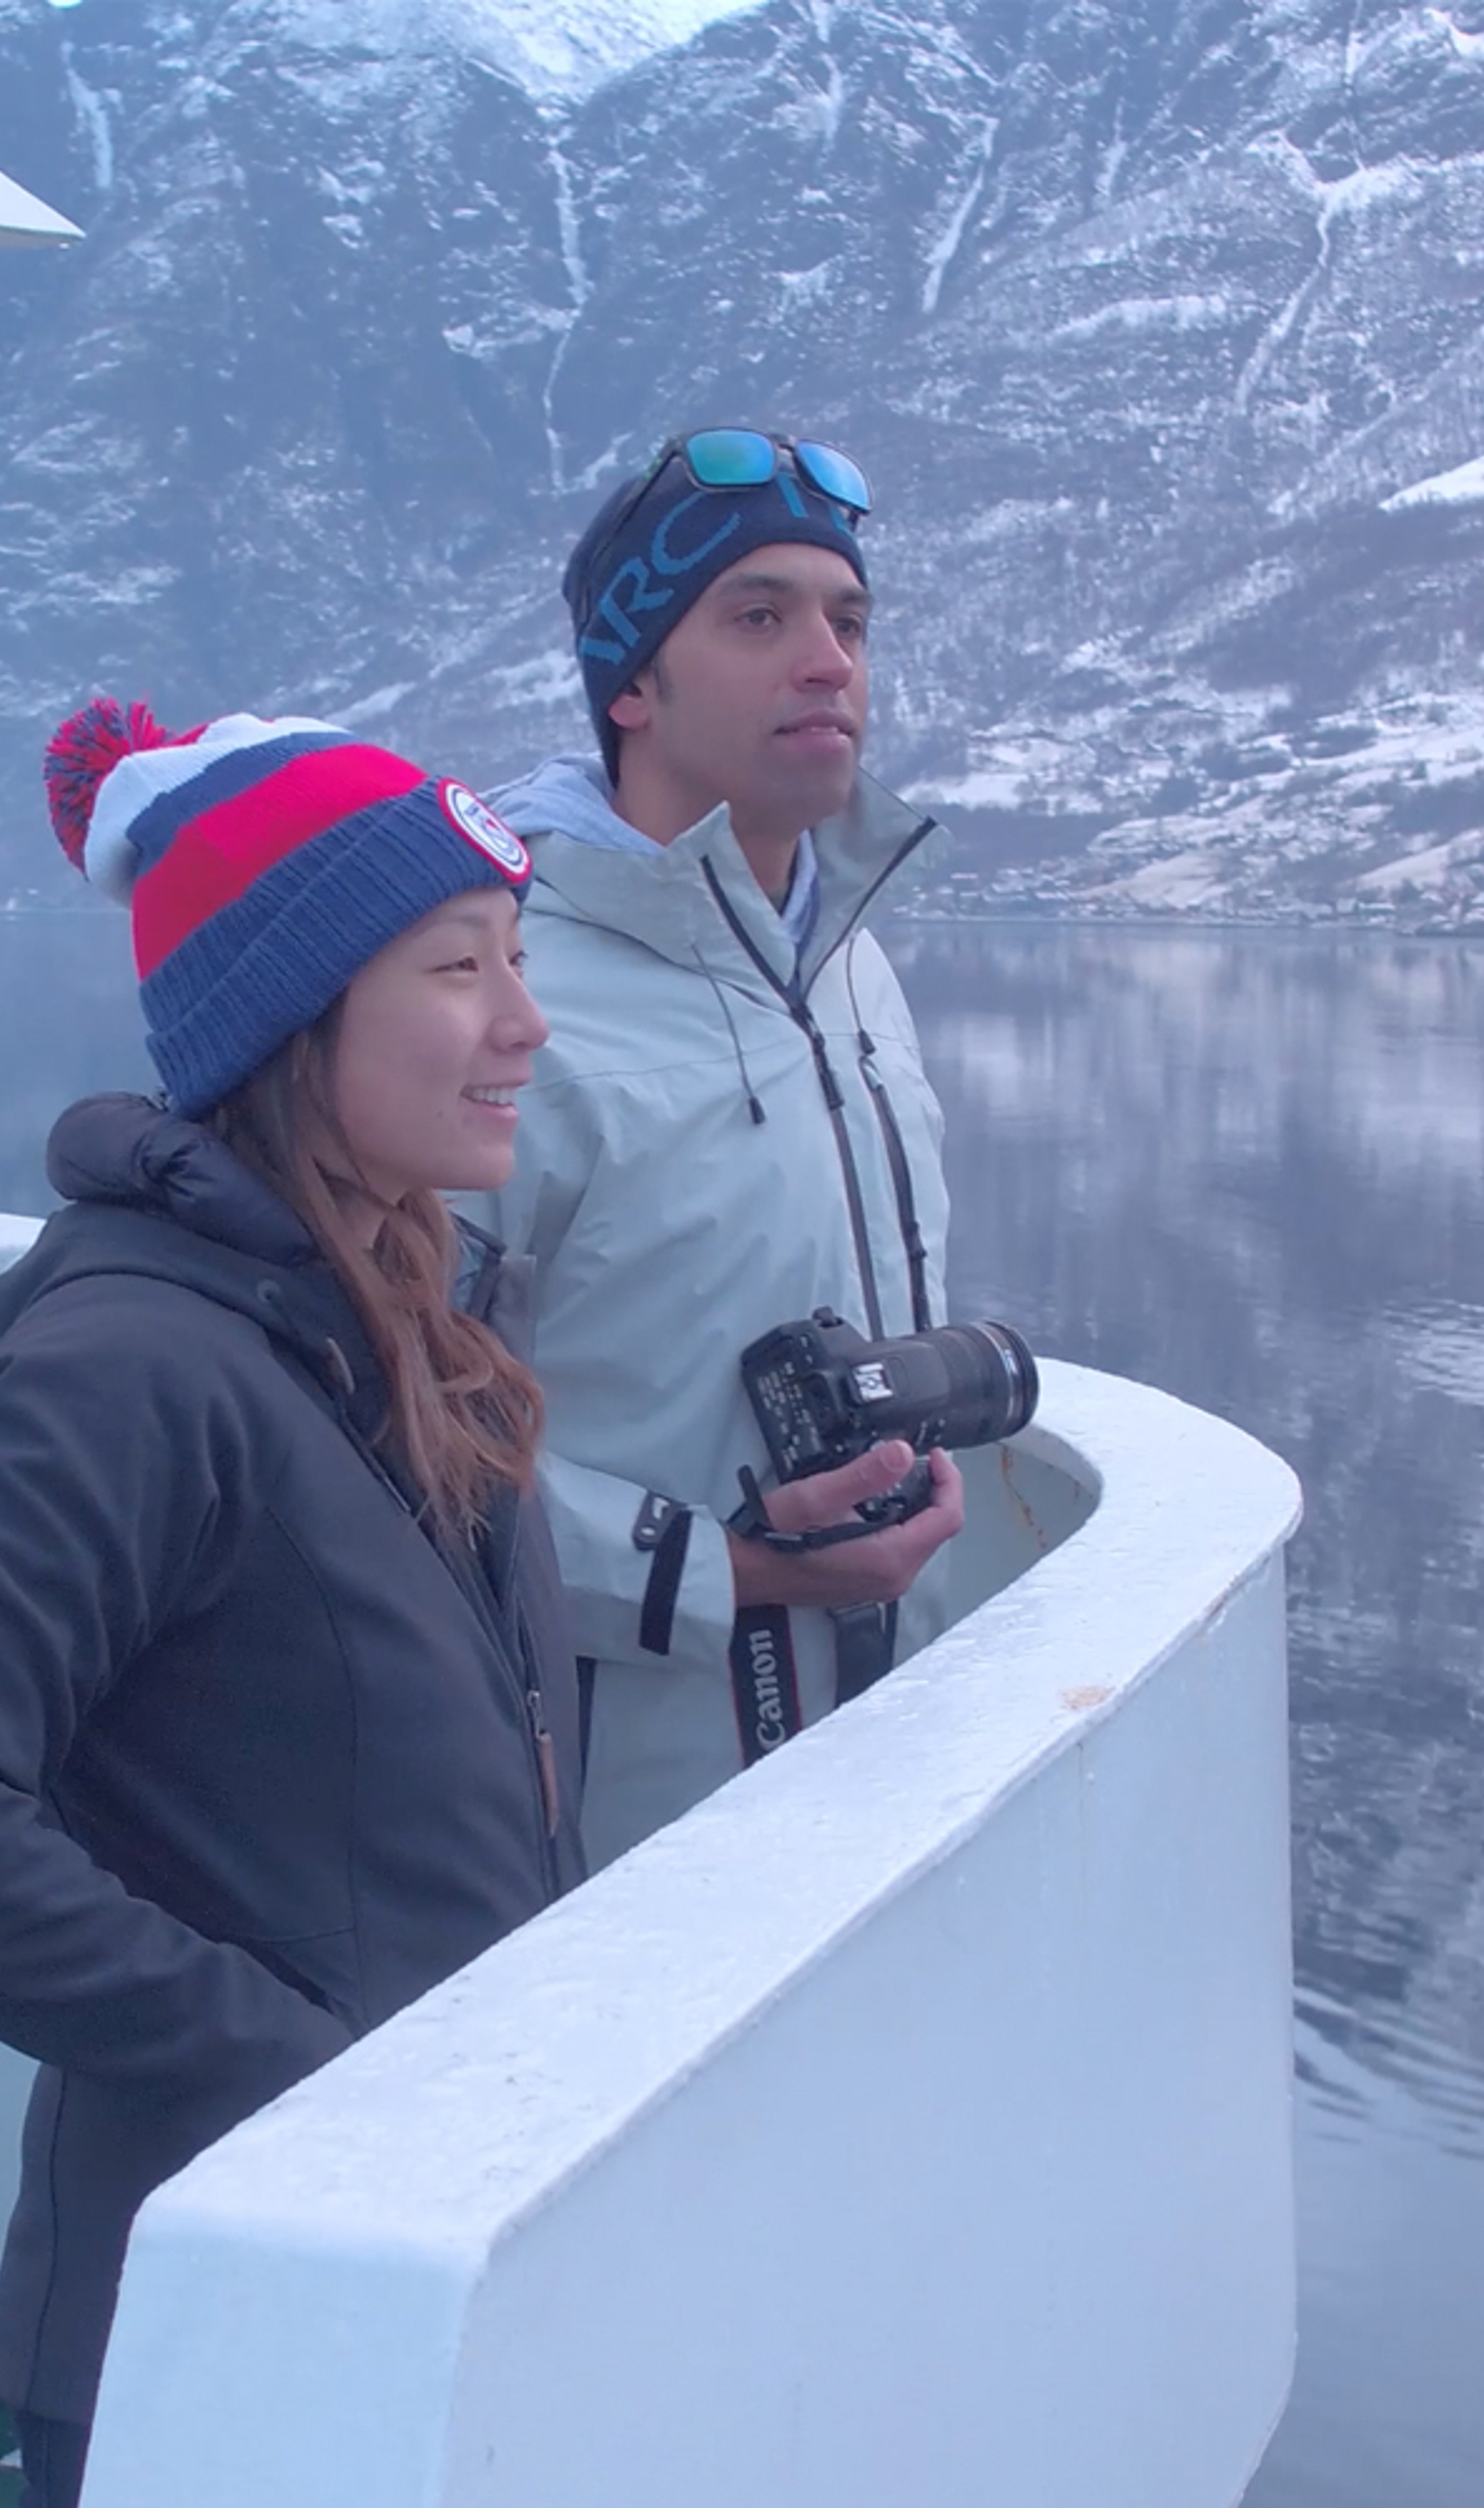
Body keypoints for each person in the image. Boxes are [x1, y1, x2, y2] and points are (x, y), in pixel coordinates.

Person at [0, 704, 584, 2508]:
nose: (526, 1024)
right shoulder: (131, 1362)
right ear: (294, 1022)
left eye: (518, 960)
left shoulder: (410, 1319)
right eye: (461, 968)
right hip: (213, 2319)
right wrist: (310, 2080)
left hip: (411, 2262)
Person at [454, 425, 965, 1871]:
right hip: (623, 1824)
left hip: (885, 1762)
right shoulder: (502, 993)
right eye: (760, 617)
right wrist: (726, 1572)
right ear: (631, 686)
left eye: (849, 620)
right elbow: (385, 1438)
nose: (829, 659)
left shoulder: (852, 965)